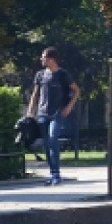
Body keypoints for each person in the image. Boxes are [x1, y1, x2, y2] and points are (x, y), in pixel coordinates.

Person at [25, 48, 79, 185]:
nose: (41, 59)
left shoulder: (63, 75)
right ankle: (53, 173)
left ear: (51, 59)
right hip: (43, 113)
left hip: (58, 113)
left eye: (43, 57)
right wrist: (31, 111)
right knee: (47, 143)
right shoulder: (40, 75)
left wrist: (69, 106)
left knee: (53, 138)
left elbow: (76, 90)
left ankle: (56, 173)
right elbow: (35, 94)